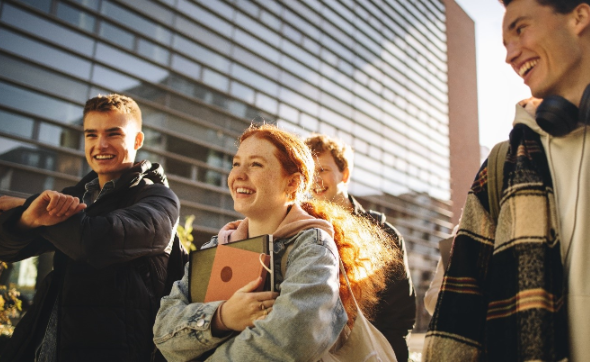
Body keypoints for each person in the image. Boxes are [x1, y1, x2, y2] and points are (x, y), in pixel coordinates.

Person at [424, 0, 590, 361]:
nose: (510, 56)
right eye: (504, 43)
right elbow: (455, 310)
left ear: (579, 16)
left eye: (521, 29)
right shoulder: (503, 165)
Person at [153, 124, 400, 361]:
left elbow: (293, 339)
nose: (238, 175)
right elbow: (164, 331)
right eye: (236, 164)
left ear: (292, 183)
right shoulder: (217, 246)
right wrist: (222, 317)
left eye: (256, 165)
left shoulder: (312, 246)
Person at [0, 94, 183, 361]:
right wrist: (28, 218)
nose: (100, 144)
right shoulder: (75, 195)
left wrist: (28, 205)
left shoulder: (159, 198)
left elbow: (95, 241)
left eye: (113, 134)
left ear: (137, 140)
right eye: (91, 135)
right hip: (44, 347)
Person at [305, 134, 416, 361]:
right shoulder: (297, 230)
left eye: (323, 170)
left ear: (344, 174)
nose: (315, 179)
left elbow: (399, 315)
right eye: (309, 172)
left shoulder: (383, 232)